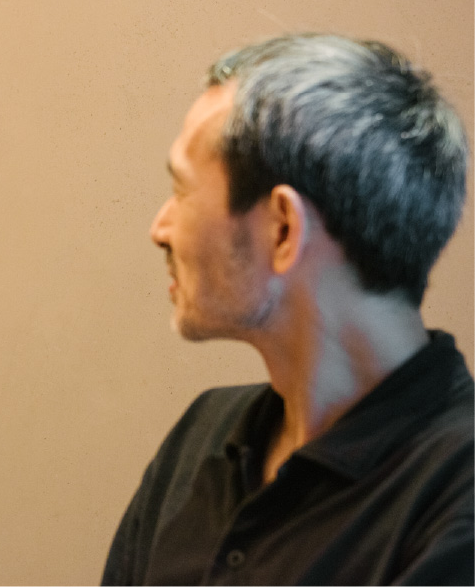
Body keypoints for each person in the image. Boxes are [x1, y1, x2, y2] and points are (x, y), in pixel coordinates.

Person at [103, 34, 473, 585]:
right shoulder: (201, 439)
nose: (160, 228)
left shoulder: (456, 495)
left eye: (181, 190)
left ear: (282, 229)